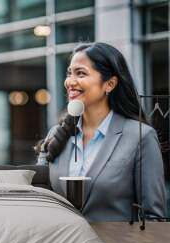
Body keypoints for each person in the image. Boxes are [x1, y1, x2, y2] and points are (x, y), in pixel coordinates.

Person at [37, 42, 166, 221]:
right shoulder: (56, 134)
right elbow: (39, 203)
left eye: (80, 73)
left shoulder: (141, 137)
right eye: (69, 73)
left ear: (110, 84)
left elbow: (154, 219)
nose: (70, 82)